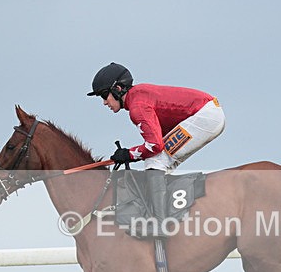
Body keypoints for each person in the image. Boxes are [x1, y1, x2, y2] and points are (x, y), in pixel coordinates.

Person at [87, 62, 225, 238]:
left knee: (156, 159)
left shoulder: (137, 107)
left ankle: (161, 224)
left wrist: (128, 154)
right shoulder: (137, 97)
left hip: (205, 116)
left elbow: (154, 145)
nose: (104, 102)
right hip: (206, 112)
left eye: (104, 95)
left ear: (119, 89)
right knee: (159, 159)